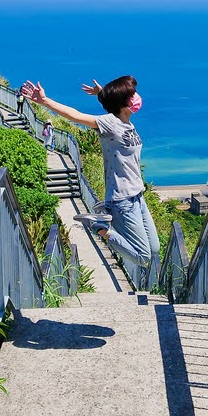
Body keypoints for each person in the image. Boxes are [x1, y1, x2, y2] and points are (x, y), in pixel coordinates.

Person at [20, 75, 159, 288]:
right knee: (143, 256)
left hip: (137, 196)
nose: (136, 97)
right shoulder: (110, 124)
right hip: (122, 201)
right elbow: (76, 116)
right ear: (124, 102)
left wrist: (102, 93)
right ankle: (101, 228)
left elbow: (114, 105)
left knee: (155, 249)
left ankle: (103, 225)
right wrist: (45, 101)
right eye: (132, 94)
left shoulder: (125, 121)